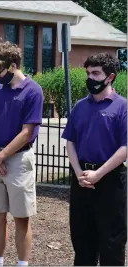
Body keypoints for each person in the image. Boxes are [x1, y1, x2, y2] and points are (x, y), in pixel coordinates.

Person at [0, 41, 44, 266]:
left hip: (18, 160)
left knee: (21, 218)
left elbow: (27, 133)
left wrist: (1, 157)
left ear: (13, 65)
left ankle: (22, 264)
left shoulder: (33, 91)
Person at [61, 52, 127, 266]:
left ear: (110, 77)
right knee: (82, 241)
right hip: (81, 180)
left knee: (111, 242)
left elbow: (125, 147)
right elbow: (70, 141)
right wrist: (78, 172)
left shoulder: (122, 107)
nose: (91, 77)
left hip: (110, 180)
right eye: (88, 72)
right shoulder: (80, 106)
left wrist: (98, 174)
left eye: (96, 73)